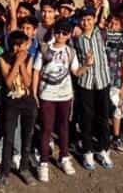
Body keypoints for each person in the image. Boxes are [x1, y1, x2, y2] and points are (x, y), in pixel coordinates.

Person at [32, 19, 78, 182]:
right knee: (46, 128)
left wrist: (87, 64)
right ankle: (43, 162)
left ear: (69, 35)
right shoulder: (44, 49)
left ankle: (64, 157)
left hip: (65, 94)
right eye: (58, 32)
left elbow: (76, 72)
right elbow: (36, 71)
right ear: (53, 32)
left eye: (64, 33)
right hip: (47, 94)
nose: (60, 35)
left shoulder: (70, 51)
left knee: (64, 126)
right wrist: (34, 92)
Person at [72, 8, 113, 170]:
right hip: (86, 82)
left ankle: (103, 149)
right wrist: (85, 65)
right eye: (83, 20)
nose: (86, 23)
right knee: (86, 118)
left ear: (94, 20)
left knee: (103, 117)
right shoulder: (76, 38)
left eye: (89, 19)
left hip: (103, 81)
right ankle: (88, 150)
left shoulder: (102, 33)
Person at [0, 31, 37, 190]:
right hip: (11, 101)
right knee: (9, 137)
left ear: (26, 45)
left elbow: (28, 82)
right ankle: (5, 173)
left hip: (27, 101)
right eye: (14, 44)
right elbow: (8, 82)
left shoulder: (29, 57)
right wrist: (16, 62)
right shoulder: (2, 58)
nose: (17, 48)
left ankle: (24, 168)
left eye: (20, 44)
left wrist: (21, 63)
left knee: (27, 136)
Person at [104, 11, 123, 153]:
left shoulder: (121, 42)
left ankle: (116, 137)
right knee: (103, 110)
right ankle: (104, 138)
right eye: (111, 23)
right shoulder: (104, 39)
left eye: (116, 24)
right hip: (103, 81)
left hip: (117, 80)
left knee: (117, 110)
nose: (112, 26)